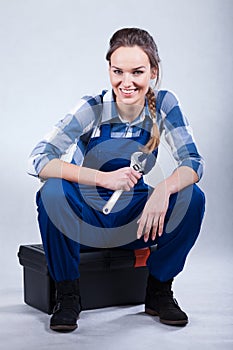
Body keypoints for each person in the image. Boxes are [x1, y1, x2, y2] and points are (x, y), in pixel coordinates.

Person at [28, 27, 205, 332]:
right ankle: (68, 295)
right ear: (108, 69)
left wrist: (163, 188)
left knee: (193, 197)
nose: (126, 82)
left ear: (154, 71)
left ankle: (159, 291)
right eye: (117, 71)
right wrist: (102, 178)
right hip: (84, 216)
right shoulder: (92, 108)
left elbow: (193, 162)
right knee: (53, 192)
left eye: (137, 72)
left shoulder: (164, 105)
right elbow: (39, 158)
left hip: (134, 217)